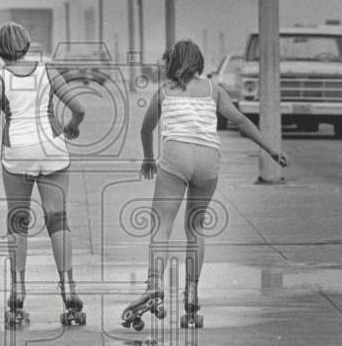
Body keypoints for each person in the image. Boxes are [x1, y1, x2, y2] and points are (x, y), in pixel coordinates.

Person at [121, 39, 289, 330]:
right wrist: (271, 148)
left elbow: (145, 128)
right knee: (195, 229)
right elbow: (239, 120)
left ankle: (153, 285)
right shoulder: (214, 90)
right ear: (198, 63)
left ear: (171, 63)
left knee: (162, 225)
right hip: (209, 160)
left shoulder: (164, 92)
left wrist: (149, 158)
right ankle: (192, 297)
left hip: (176, 157)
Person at [0, 22, 86, 328]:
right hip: (53, 150)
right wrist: (73, 125)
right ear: (26, 44)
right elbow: (80, 108)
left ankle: (17, 292)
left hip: (17, 155)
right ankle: (68, 288)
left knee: (18, 221)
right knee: (58, 218)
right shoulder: (48, 71)